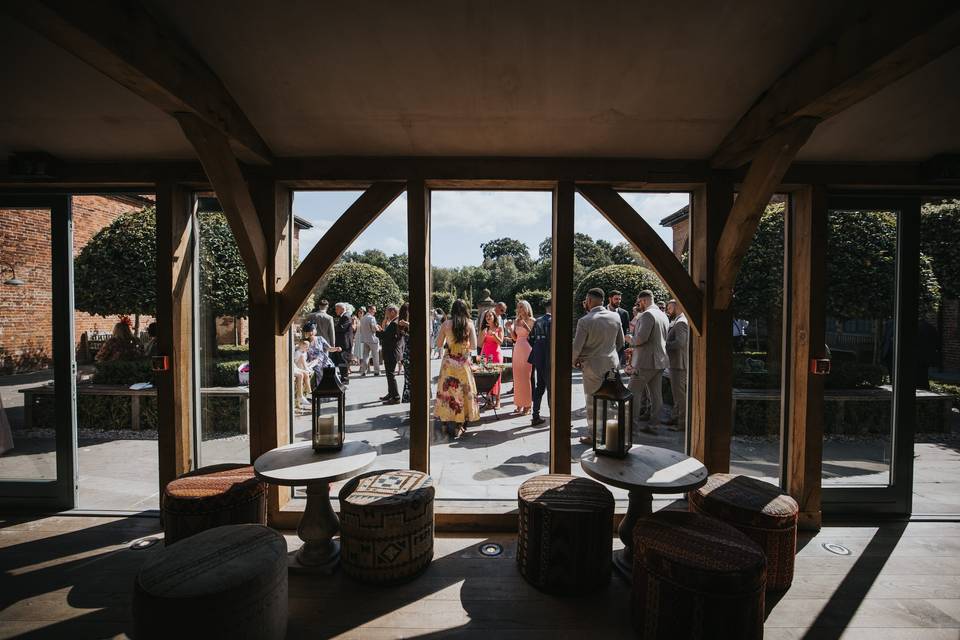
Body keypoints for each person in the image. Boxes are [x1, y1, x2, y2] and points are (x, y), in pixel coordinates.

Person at [572, 288, 624, 444]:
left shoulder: (585, 320)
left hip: (592, 366)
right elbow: (620, 342)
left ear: (588, 300)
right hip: (612, 364)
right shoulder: (615, 316)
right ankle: (611, 432)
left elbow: (577, 347)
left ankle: (595, 435)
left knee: (592, 401)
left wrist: (574, 360)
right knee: (610, 399)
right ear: (603, 300)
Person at [434, 299, 480, 437]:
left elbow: (438, 343)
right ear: (465, 309)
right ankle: (459, 425)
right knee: (463, 392)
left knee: (446, 391)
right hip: (462, 362)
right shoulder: (469, 324)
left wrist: (450, 343)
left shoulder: (446, 324)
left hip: (448, 362)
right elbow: (473, 346)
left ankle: (444, 422)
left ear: (453, 310)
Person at [626, 290, 669, 434]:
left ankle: (631, 428)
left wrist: (629, 339)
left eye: (639, 303)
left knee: (632, 392)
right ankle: (654, 425)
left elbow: (640, 339)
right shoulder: (663, 315)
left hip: (645, 362)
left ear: (644, 301)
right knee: (656, 394)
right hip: (660, 361)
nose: (638, 306)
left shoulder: (648, 315)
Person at [664, 299, 689, 431]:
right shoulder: (679, 320)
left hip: (679, 364)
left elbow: (680, 343)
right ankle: (675, 417)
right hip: (676, 363)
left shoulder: (681, 322)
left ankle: (682, 424)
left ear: (677, 306)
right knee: (676, 394)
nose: (668, 310)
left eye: (669, 307)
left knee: (680, 395)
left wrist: (664, 345)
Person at [528, 298, 552, 426]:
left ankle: (535, 415)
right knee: (551, 388)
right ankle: (554, 417)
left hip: (538, 357)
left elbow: (530, 339)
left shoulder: (538, 321)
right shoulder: (553, 321)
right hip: (549, 357)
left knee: (540, 387)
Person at [376, 305, 405, 404]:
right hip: (392, 352)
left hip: (391, 352)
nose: (386, 314)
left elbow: (385, 337)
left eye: (387, 312)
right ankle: (391, 393)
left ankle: (396, 397)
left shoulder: (394, 323)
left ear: (393, 312)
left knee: (390, 375)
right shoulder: (395, 322)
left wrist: (378, 331)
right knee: (389, 374)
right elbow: (390, 336)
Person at [511, 300, 535, 416]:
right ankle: (519, 403)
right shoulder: (516, 321)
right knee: (517, 377)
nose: (519, 309)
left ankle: (528, 405)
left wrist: (526, 326)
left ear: (527, 308)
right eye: (518, 307)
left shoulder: (532, 321)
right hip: (517, 348)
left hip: (527, 348)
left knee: (526, 377)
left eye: (522, 307)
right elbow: (515, 338)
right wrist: (510, 329)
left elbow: (534, 336)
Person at [479, 308, 504, 409]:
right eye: (487, 316)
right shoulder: (484, 329)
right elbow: (480, 344)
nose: (488, 317)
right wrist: (483, 334)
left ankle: (498, 401)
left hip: (496, 354)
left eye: (490, 316)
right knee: (486, 377)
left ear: (494, 317)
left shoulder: (499, 328)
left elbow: (501, 342)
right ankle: (489, 400)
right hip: (485, 354)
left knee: (497, 378)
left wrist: (494, 335)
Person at [608, 290, 631, 367]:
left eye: (619, 299)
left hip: (619, 347)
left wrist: (626, 347)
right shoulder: (603, 311)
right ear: (610, 299)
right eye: (616, 299)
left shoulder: (624, 313)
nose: (618, 301)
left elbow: (627, 331)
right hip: (605, 346)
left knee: (616, 369)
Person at [356, 305, 381, 376]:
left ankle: (363, 371)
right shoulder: (371, 318)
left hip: (365, 339)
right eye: (374, 309)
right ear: (369, 310)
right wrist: (378, 328)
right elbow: (374, 329)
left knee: (365, 356)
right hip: (372, 339)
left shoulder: (363, 318)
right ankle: (376, 371)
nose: (375, 311)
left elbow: (361, 330)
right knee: (375, 356)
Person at [333, 302, 354, 384]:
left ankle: (344, 379)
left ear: (342, 309)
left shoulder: (346, 316)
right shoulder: (344, 316)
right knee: (342, 361)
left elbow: (341, 328)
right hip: (342, 343)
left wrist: (333, 326)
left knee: (343, 361)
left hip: (344, 343)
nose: (335, 311)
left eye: (337, 309)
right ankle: (343, 378)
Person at [293, 338, 313, 411]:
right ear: (300, 345)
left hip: (297, 367)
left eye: (307, 347)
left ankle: (309, 391)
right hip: (295, 367)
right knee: (303, 374)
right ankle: (301, 396)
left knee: (306, 374)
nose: (307, 348)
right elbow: (295, 361)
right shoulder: (298, 352)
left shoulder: (303, 353)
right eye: (305, 346)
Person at [400, 303, 414, 403]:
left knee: (409, 377)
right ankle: (409, 397)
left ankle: (409, 397)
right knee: (408, 377)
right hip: (408, 353)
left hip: (408, 353)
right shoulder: (403, 324)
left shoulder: (406, 324)